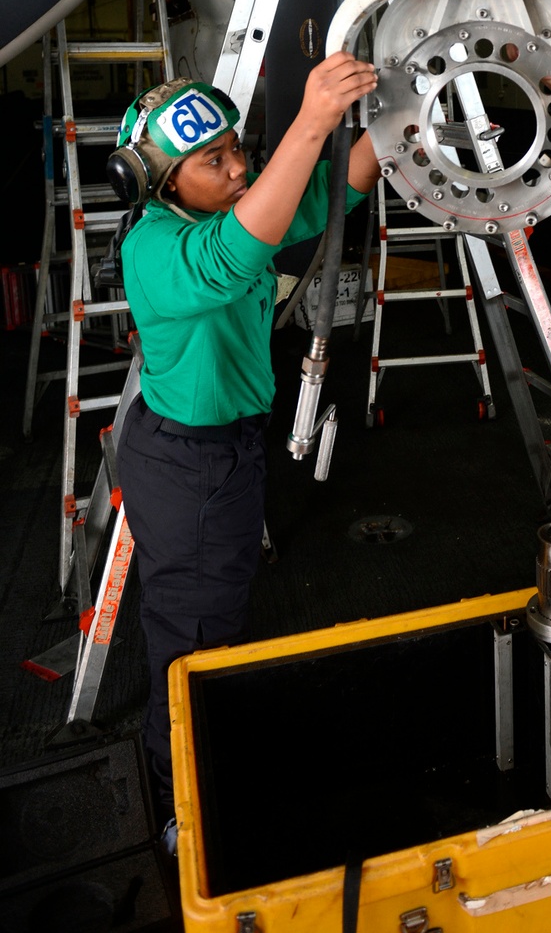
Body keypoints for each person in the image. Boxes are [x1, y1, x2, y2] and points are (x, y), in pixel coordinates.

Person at [107, 52, 380, 839]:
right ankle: (179, 813)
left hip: (222, 450)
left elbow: (324, 194)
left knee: (209, 620)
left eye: (239, 149)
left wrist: (397, 130)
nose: (238, 169)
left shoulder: (224, 211)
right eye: (214, 160)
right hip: (190, 464)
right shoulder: (154, 249)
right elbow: (233, 257)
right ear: (160, 186)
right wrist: (310, 122)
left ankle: (197, 768)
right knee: (192, 645)